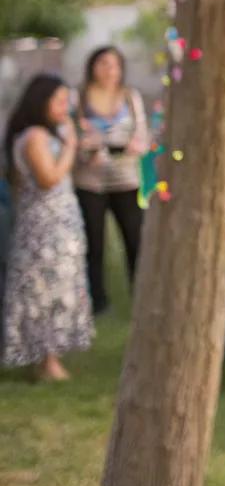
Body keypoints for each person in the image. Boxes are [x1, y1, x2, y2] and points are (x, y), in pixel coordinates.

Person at [2, 74, 93, 380]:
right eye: (58, 101)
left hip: (60, 221)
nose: (64, 107)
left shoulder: (47, 133)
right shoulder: (35, 137)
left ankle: (48, 356)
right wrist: (70, 145)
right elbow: (48, 178)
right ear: (40, 102)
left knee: (59, 284)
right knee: (45, 288)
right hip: (45, 227)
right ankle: (46, 359)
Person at [73, 46, 149, 313]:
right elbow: (71, 136)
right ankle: (96, 300)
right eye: (103, 63)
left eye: (114, 64)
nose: (109, 70)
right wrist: (86, 151)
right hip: (90, 179)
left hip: (126, 177)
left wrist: (136, 145)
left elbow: (142, 132)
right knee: (93, 241)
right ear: (93, 66)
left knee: (135, 237)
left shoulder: (130, 97)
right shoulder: (79, 97)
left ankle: (141, 295)